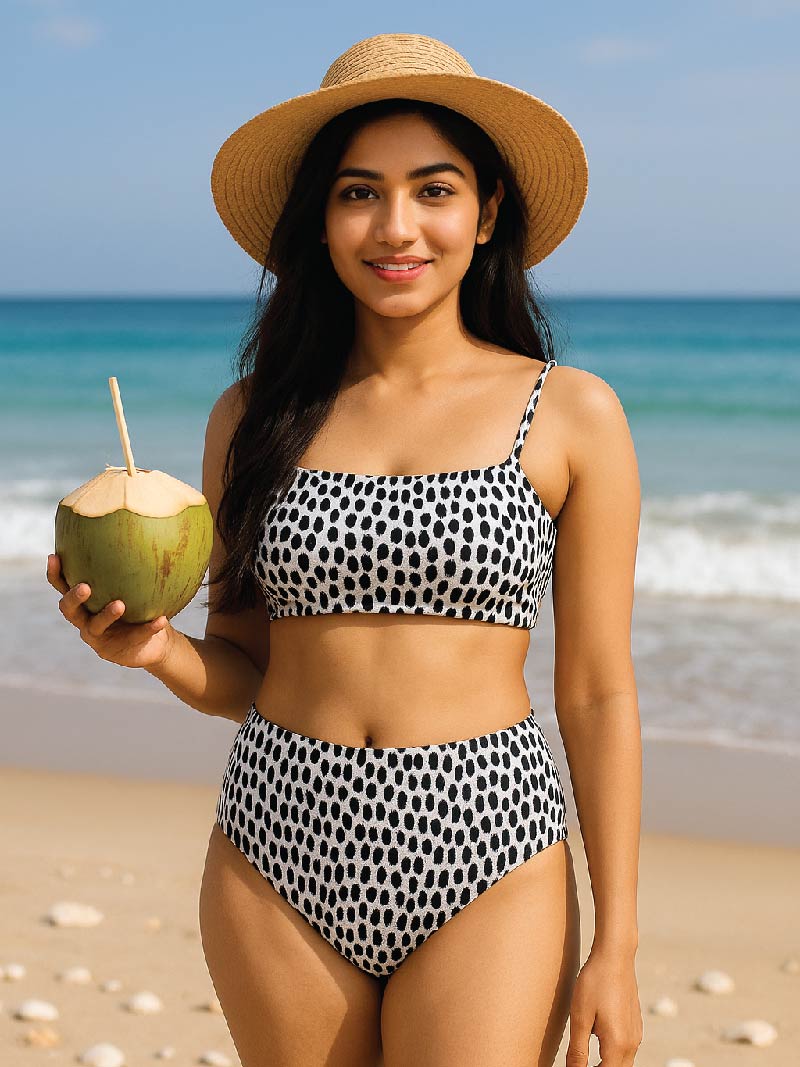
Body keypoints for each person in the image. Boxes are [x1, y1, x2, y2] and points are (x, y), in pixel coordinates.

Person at [47, 32, 643, 1067]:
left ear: (486, 209)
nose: (395, 227)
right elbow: (239, 663)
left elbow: (595, 691)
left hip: (487, 838)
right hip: (276, 834)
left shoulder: (568, 412)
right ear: (320, 221)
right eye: (358, 192)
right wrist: (150, 649)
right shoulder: (256, 415)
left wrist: (619, 941)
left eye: (433, 190)